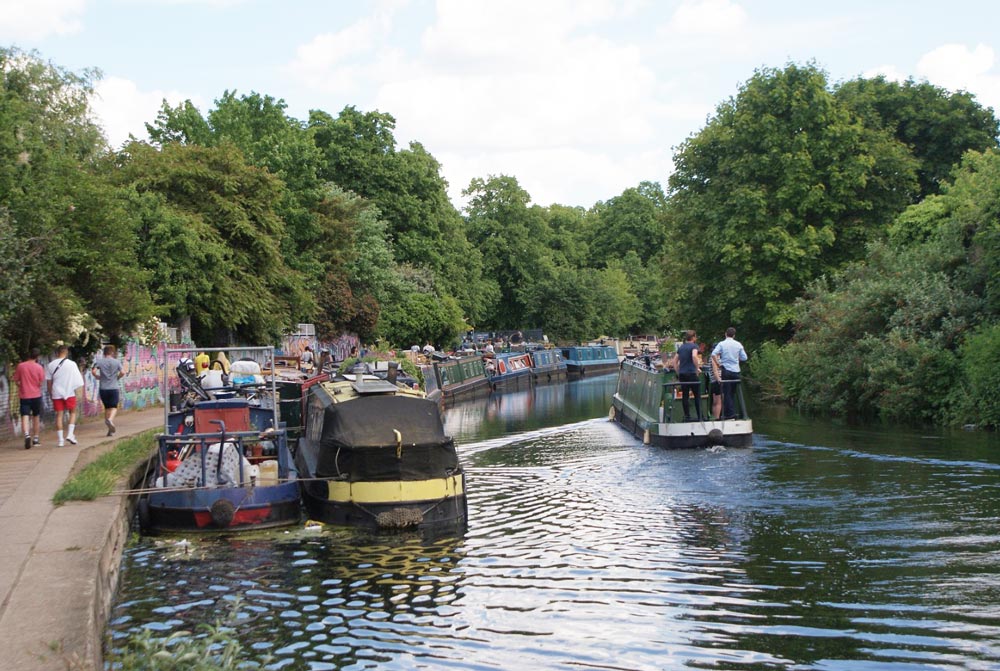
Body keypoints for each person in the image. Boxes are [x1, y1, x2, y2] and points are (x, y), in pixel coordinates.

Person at [46, 345, 84, 446]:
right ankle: (70, 434)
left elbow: (49, 382)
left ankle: (60, 441)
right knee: (72, 412)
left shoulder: (50, 365)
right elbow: (77, 379)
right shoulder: (72, 364)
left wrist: (51, 393)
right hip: (69, 391)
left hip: (56, 392)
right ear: (66, 352)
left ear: (56, 353)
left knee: (59, 415)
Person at [711, 327, 748, 420]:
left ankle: (729, 414)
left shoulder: (722, 344)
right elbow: (744, 358)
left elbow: (713, 354)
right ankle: (734, 413)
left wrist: (718, 364)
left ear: (725, 334)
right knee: (733, 393)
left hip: (726, 370)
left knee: (727, 393)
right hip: (736, 371)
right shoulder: (738, 344)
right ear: (734, 335)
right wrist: (736, 359)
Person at [13, 348, 45, 449]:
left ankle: (27, 434)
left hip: (24, 395)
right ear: (37, 356)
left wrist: (21, 386)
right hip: (36, 395)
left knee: (25, 416)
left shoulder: (21, 366)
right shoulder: (39, 367)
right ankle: (35, 439)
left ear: (28, 355)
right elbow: (40, 382)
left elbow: (16, 380)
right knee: (36, 416)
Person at [92, 344, 125, 436]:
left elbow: (93, 371)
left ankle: (109, 430)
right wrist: (117, 377)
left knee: (107, 407)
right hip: (113, 388)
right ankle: (110, 420)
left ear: (104, 352)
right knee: (114, 407)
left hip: (103, 388)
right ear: (112, 352)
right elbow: (123, 372)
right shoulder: (117, 362)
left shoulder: (99, 362)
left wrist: (97, 376)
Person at [671, 330, 703, 421]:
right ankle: (700, 416)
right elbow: (694, 356)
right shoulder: (694, 346)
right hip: (691, 373)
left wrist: (678, 371)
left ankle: (687, 416)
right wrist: (697, 368)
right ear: (693, 338)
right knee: (697, 395)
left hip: (682, 374)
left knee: (685, 395)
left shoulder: (681, 347)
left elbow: (674, 361)